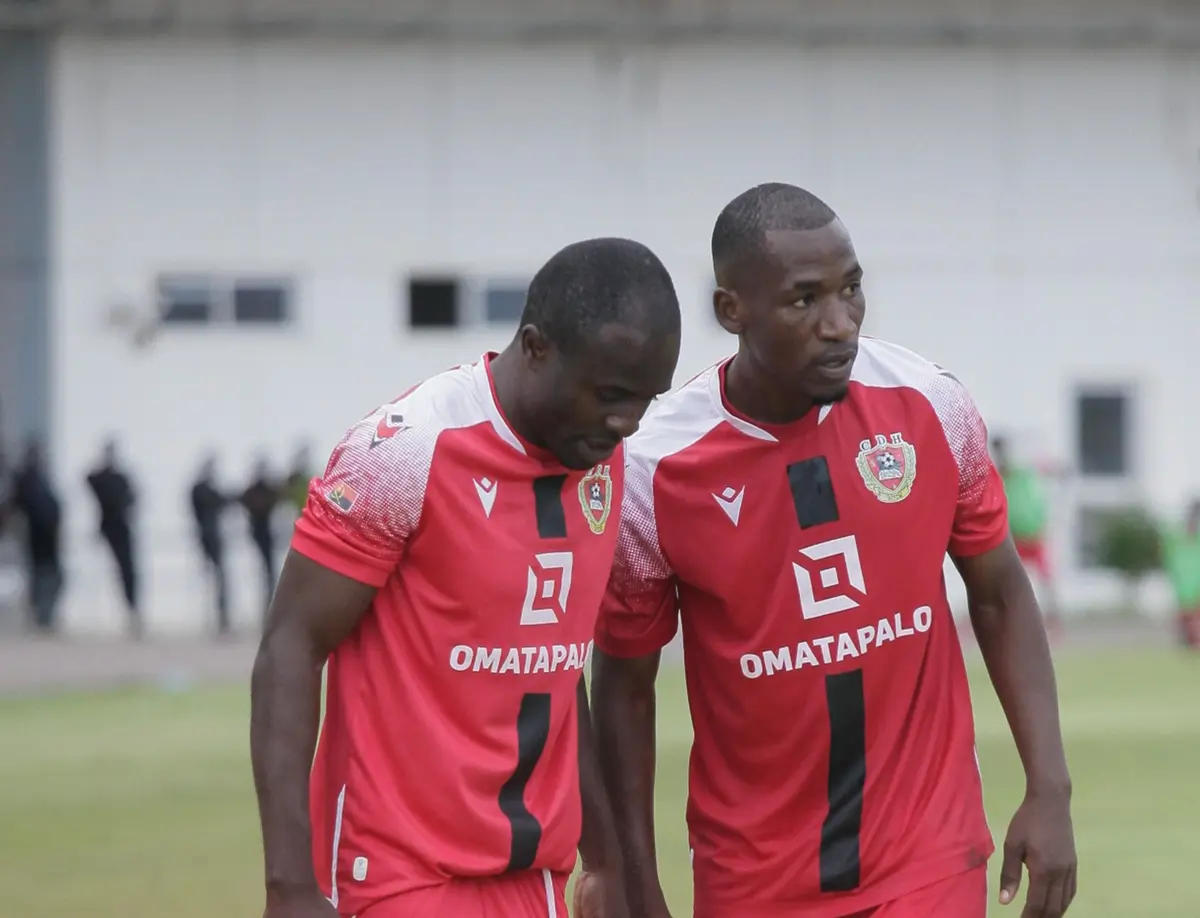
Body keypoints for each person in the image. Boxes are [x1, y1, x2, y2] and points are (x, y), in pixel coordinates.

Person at [585, 185, 1077, 918]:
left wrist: (1049, 788)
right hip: (752, 873)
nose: (839, 324)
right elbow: (624, 689)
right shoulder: (655, 471)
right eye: (804, 300)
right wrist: (631, 876)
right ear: (732, 312)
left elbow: (1001, 593)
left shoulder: (930, 405)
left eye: (852, 290)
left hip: (926, 853)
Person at [250, 236, 682, 918]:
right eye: (611, 394)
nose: (627, 422)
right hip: (397, 874)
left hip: (534, 877)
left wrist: (604, 859)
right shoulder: (404, 451)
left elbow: (559, 667)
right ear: (536, 347)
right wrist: (290, 886)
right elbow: (290, 647)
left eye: (645, 400)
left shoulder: (606, 458)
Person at [992, 435, 1061, 636]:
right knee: (1006, 579)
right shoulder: (999, 475)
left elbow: (1046, 467)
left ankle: (1053, 620)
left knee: (1046, 579)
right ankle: (1009, 619)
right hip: (1013, 537)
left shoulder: (1022, 471)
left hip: (1033, 534)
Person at [85, 438, 141, 638]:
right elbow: (88, 479)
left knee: (128, 572)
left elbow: (133, 497)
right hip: (108, 527)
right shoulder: (102, 478)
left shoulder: (120, 478)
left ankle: (133, 611)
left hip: (122, 528)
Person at [10, 439, 63, 634]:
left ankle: (45, 617)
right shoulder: (25, 478)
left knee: (53, 578)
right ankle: (41, 618)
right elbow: (17, 506)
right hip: (37, 537)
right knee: (41, 576)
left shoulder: (42, 479)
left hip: (49, 539)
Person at [191, 453, 232, 637]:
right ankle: (217, 619)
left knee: (219, 578)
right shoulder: (200, 490)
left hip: (213, 537)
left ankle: (222, 618)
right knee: (212, 578)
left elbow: (225, 501)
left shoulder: (205, 490)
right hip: (207, 537)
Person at [241, 458, 282, 618]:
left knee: (269, 572)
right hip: (260, 534)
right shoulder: (255, 491)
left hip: (265, 534)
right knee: (267, 572)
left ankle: (269, 606)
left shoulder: (264, 490)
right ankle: (267, 607)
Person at [1161, 499, 1200, 649]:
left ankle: (1193, 642)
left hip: (1195, 586)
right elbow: (1169, 560)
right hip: (1183, 586)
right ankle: (1188, 642)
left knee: (1195, 616)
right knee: (1185, 616)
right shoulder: (1176, 541)